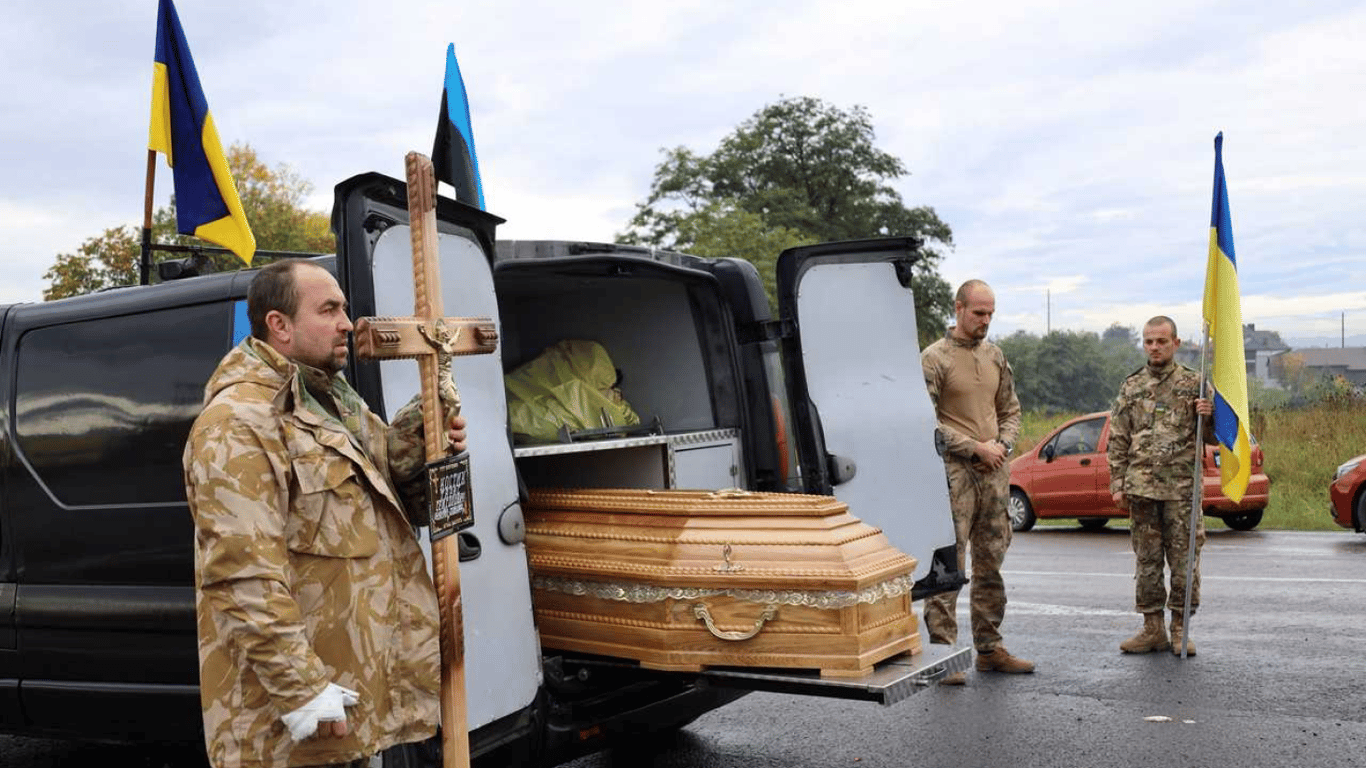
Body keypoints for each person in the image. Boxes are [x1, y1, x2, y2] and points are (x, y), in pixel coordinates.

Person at [183, 258, 467, 768]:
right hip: (290, 727)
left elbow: (390, 504)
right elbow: (242, 575)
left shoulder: (334, 401)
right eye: (329, 309)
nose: (346, 323)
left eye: (345, 308)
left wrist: (424, 437)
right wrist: (303, 691)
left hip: (355, 700)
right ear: (280, 325)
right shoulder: (238, 423)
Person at [921, 279, 1033, 685]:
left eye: (990, 314)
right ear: (959, 309)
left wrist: (1002, 444)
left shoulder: (995, 357)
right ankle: (943, 654)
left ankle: (989, 648)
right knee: (949, 565)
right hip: (954, 475)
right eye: (978, 313)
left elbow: (1012, 409)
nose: (985, 321)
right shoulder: (934, 358)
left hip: (994, 475)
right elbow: (925, 422)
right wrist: (974, 447)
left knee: (991, 564)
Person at [1107, 315, 1213, 657]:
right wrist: (1117, 482)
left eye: (1161, 341)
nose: (1154, 347)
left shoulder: (1196, 385)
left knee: (1184, 561)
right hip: (1142, 489)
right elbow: (1119, 437)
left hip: (1182, 489)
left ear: (1176, 343)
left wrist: (1208, 415)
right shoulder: (1131, 386)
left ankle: (1181, 627)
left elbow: (1213, 438)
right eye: (1149, 341)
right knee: (1147, 561)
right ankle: (1152, 628)